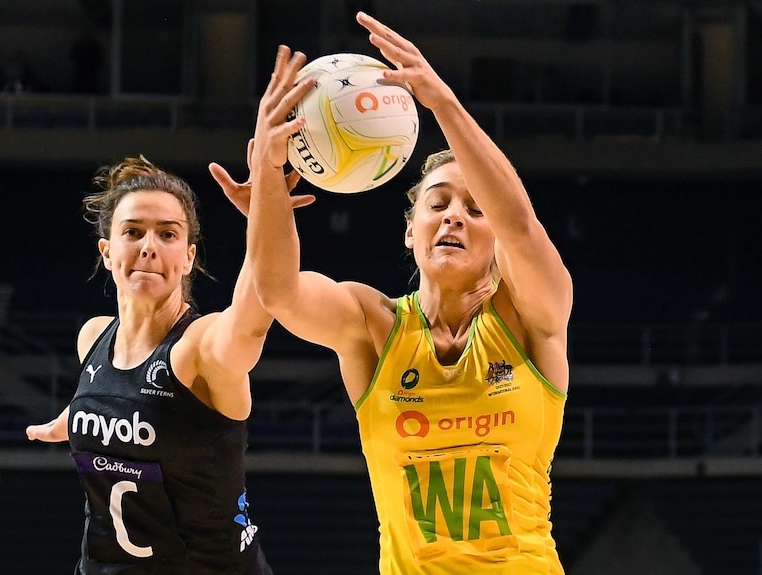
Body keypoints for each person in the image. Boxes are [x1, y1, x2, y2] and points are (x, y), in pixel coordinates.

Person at [241, 12, 573, 575]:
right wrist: (270, 174)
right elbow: (279, 291)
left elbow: (520, 223)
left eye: (474, 208)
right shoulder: (376, 324)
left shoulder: (531, 315)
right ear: (409, 229)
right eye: (438, 203)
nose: (455, 218)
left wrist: (443, 104)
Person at [26, 153, 311, 575]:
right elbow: (117, 399)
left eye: (167, 234)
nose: (148, 246)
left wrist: (264, 220)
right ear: (107, 251)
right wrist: (70, 418)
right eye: (133, 232)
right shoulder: (93, 338)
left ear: (188, 256)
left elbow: (256, 315)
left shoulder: (199, 348)